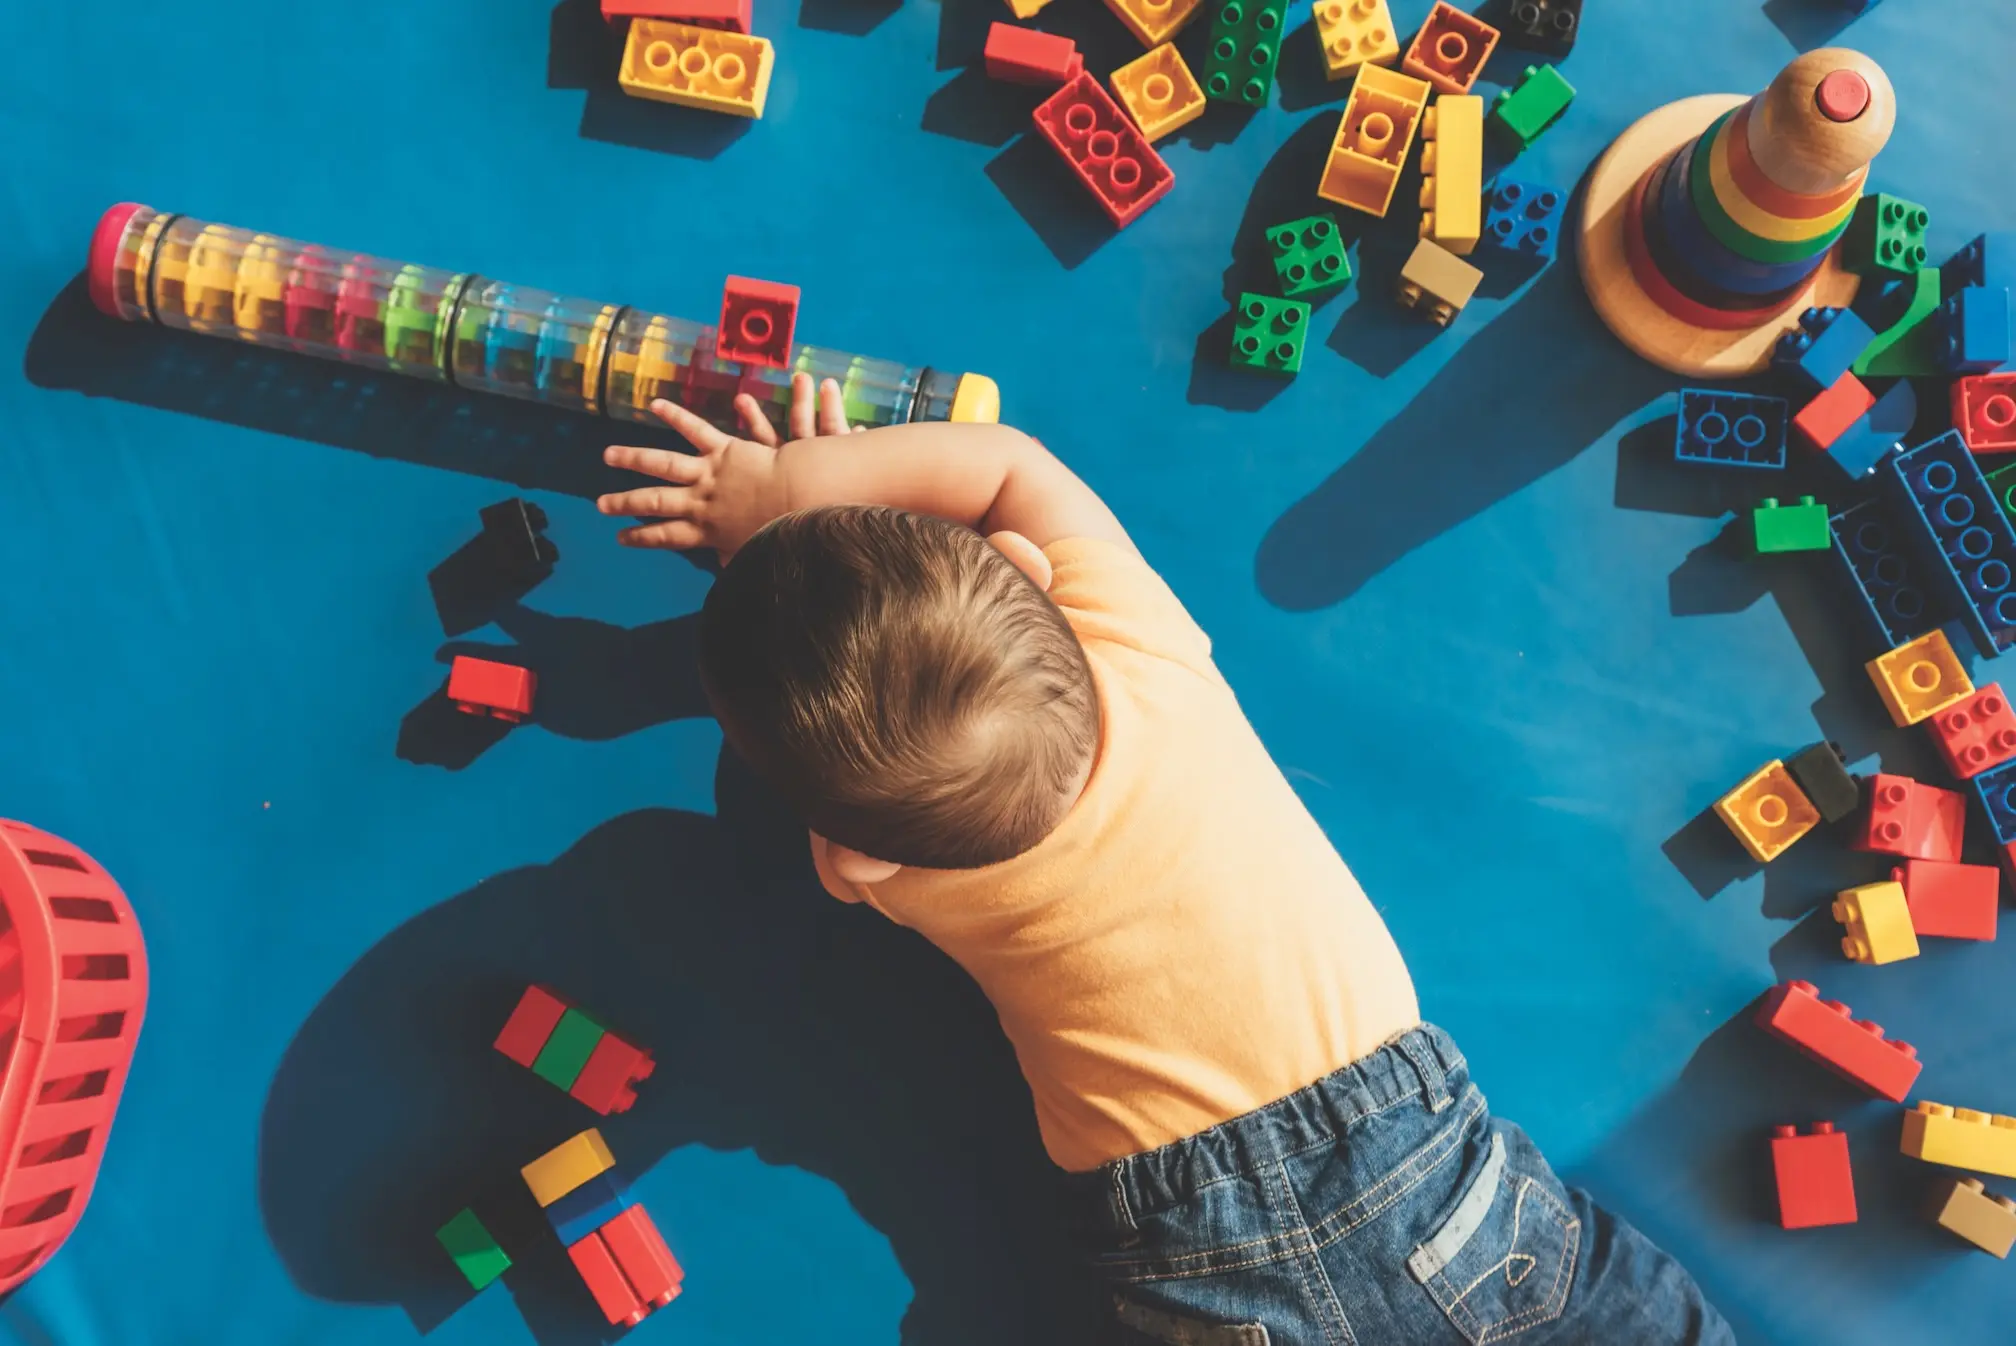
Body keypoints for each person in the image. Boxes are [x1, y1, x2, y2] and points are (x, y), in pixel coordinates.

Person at [597, 375, 1734, 1345]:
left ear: (842, 851)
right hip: (1430, 1168)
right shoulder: (1132, 634)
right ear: (1028, 571)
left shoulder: (881, 872)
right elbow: (1008, 466)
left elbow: (858, 803)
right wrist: (799, 488)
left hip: (1202, 1256)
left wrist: (770, 573)